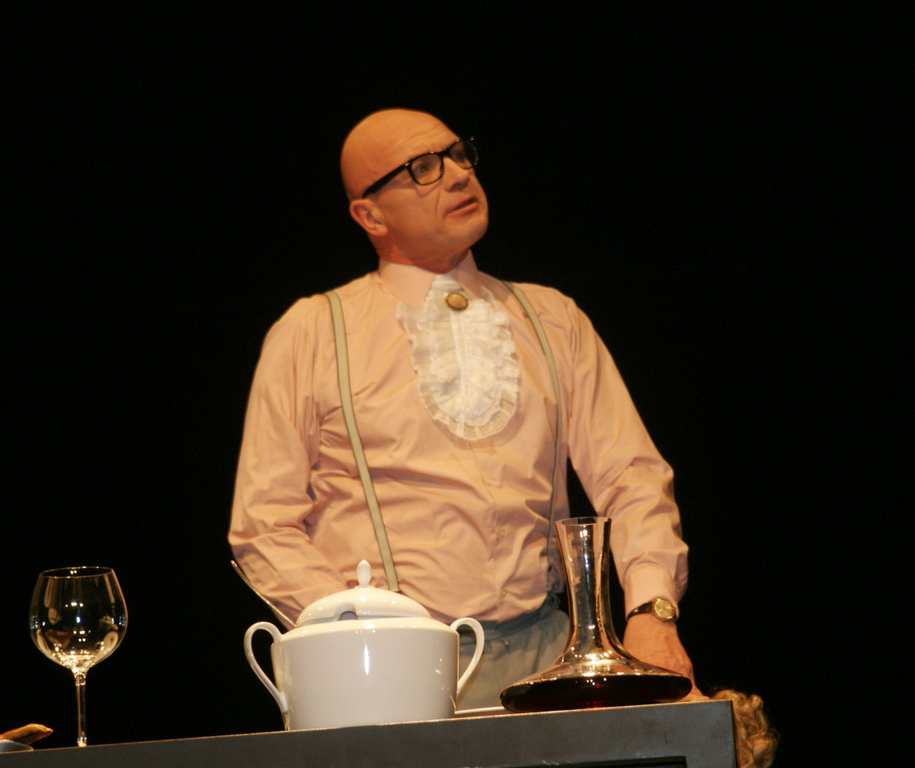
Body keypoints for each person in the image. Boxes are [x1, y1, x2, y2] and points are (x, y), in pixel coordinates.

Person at [229, 108, 700, 707]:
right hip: (387, 672)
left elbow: (631, 476)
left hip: (547, 654)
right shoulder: (314, 331)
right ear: (370, 215)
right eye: (423, 168)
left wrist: (652, 613)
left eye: (458, 154)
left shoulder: (552, 318)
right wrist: (355, 628)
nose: (457, 175)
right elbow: (263, 523)